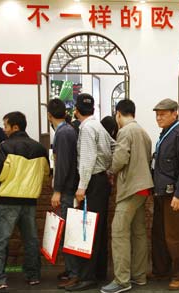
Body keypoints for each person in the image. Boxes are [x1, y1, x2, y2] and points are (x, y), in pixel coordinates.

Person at [101, 100, 154, 293]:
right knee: (138, 232)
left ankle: (122, 280)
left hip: (130, 187)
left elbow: (120, 159)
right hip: (144, 187)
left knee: (119, 232)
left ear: (118, 114)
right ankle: (139, 275)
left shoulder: (125, 131)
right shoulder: (143, 132)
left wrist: (110, 170)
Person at [0, 111, 49, 291]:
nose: (4, 129)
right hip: (30, 201)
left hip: (8, 200)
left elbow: (0, 173)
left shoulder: (5, 146)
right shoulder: (40, 148)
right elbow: (46, 173)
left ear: (14, 127)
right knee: (31, 240)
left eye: (6, 125)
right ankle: (33, 276)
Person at [66, 93, 114, 291]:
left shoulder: (86, 128)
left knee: (88, 229)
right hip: (101, 180)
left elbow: (86, 159)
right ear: (93, 109)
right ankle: (99, 272)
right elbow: (113, 146)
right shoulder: (98, 126)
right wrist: (109, 170)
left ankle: (87, 277)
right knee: (99, 229)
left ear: (76, 110)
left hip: (92, 182)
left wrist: (81, 187)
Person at [151, 98, 179, 291]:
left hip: (174, 195)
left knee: (175, 236)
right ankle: (161, 270)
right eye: (157, 114)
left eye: (163, 114)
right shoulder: (165, 134)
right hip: (161, 192)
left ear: (174, 113)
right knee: (159, 233)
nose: (159, 117)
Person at [47, 99, 80, 289]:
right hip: (67, 189)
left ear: (49, 115)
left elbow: (63, 164)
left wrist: (57, 190)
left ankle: (74, 273)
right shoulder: (65, 131)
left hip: (67, 190)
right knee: (66, 231)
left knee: (69, 233)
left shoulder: (63, 133)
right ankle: (70, 270)